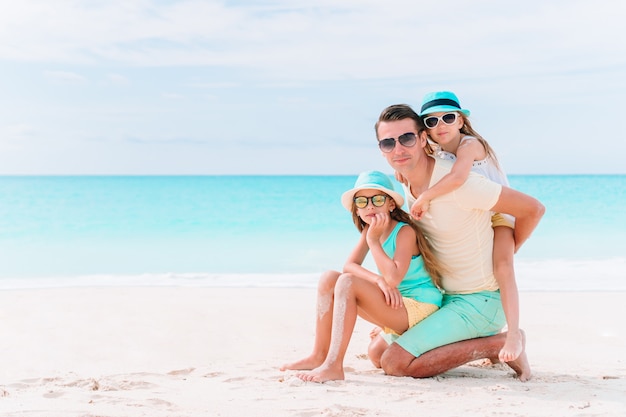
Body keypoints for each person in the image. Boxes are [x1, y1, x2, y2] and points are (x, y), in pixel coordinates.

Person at [370, 104, 545, 382]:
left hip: (481, 300)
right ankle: (478, 338)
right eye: (388, 142)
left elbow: (533, 209)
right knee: (376, 352)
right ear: (381, 149)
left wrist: (509, 250)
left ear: (423, 138)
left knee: (395, 363)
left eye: (406, 138)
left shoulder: (462, 184)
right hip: (443, 299)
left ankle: (495, 343)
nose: (398, 149)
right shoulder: (404, 183)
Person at [280, 170, 446, 383]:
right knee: (330, 278)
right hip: (395, 301)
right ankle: (318, 355)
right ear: (356, 209)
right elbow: (349, 265)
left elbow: (393, 279)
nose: (369, 206)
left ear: (391, 205)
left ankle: (333, 366)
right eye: (362, 201)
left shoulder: (404, 232)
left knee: (348, 283)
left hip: (420, 306)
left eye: (377, 199)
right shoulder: (369, 230)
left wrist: (374, 242)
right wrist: (377, 280)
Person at [398, 91, 522, 363]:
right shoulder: (441, 151)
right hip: (479, 216)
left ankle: (513, 333)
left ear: (461, 121)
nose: (440, 125)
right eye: (431, 122)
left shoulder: (469, 145)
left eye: (448, 117)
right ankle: (491, 343)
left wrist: (426, 196)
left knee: (502, 268)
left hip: (500, 214)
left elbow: (456, 177)